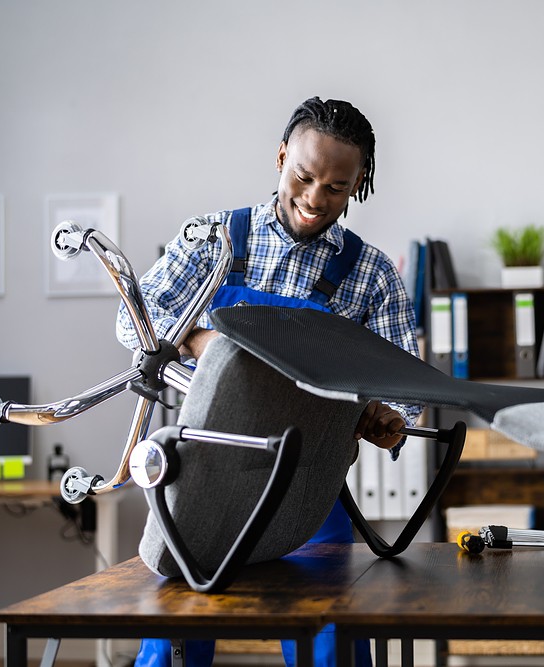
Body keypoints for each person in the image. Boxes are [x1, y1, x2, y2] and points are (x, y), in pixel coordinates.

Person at [117, 96, 423, 667]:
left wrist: (390, 415)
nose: (314, 199)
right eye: (304, 176)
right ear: (281, 156)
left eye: (336, 188)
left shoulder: (370, 274)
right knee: (175, 640)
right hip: (201, 474)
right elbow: (135, 320)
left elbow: (408, 384)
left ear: (358, 183)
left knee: (328, 638)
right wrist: (213, 347)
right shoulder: (212, 239)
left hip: (310, 483)